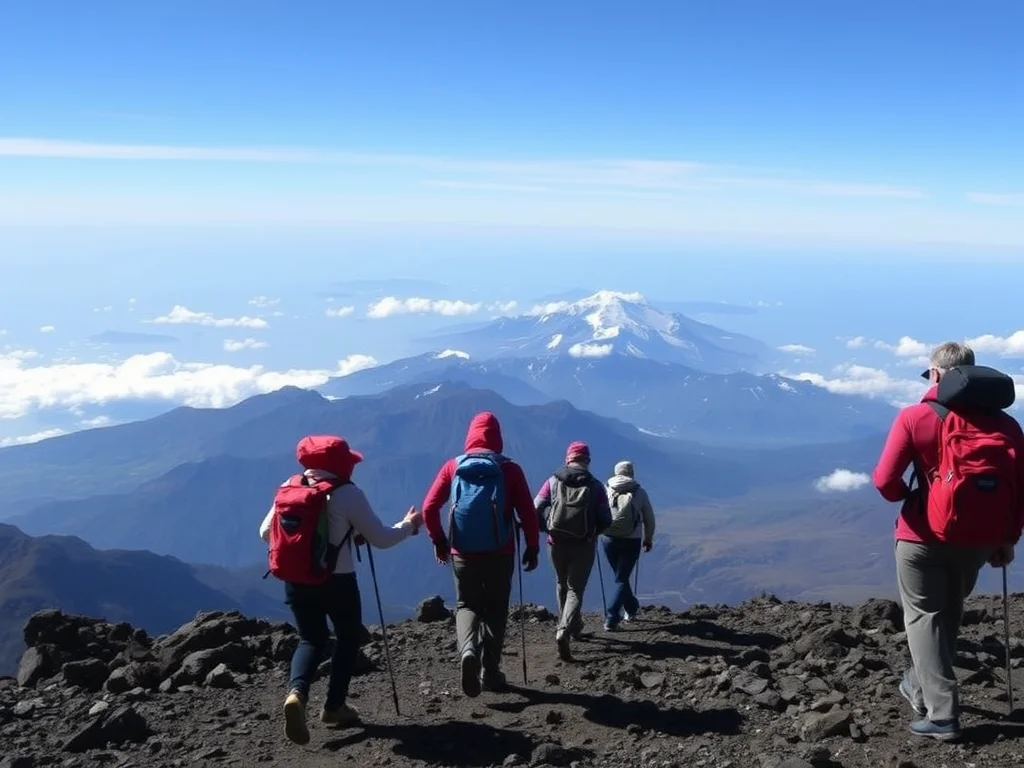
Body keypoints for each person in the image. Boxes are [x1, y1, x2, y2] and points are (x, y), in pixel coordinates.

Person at [872, 342, 1024, 741]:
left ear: (937, 375)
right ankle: (920, 685)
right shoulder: (1007, 426)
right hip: (977, 540)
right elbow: (1019, 490)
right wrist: (1007, 538)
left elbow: (885, 481)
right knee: (948, 617)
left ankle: (942, 715)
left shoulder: (916, 418)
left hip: (921, 537)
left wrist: (913, 498)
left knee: (924, 618)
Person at [260, 435, 422, 746]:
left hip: (295, 579)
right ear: (341, 464)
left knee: (311, 638)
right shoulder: (348, 493)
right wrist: (410, 524)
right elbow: (382, 539)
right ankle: (334, 707)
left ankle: (297, 693)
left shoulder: (289, 486)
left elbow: (265, 532)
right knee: (347, 637)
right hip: (338, 581)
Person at [422, 411, 540, 697]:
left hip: (462, 551)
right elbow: (528, 513)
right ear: (498, 437)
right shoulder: (510, 469)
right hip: (501, 551)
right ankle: (490, 672)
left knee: (466, 605)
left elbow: (428, 508)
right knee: (496, 609)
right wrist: (532, 547)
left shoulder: (453, 467)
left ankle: (467, 652)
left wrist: (439, 541)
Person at [534, 441, 612, 661]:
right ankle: (565, 629)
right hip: (584, 544)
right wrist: (593, 533)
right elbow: (607, 518)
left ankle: (571, 626)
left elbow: (536, 507)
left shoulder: (552, 481)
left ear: (568, 458)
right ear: (587, 460)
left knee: (561, 583)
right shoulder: (595, 486)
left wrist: (546, 528)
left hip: (556, 542)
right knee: (575, 589)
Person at [602, 460, 656, 630]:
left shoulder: (605, 489)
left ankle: (631, 608)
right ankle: (612, 617)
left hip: (608, 538)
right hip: (631, 540)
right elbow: (649, 519)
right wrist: (648, 538)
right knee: (622, 578)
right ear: (631, 473)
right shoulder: (639, 492)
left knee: (620, 578)